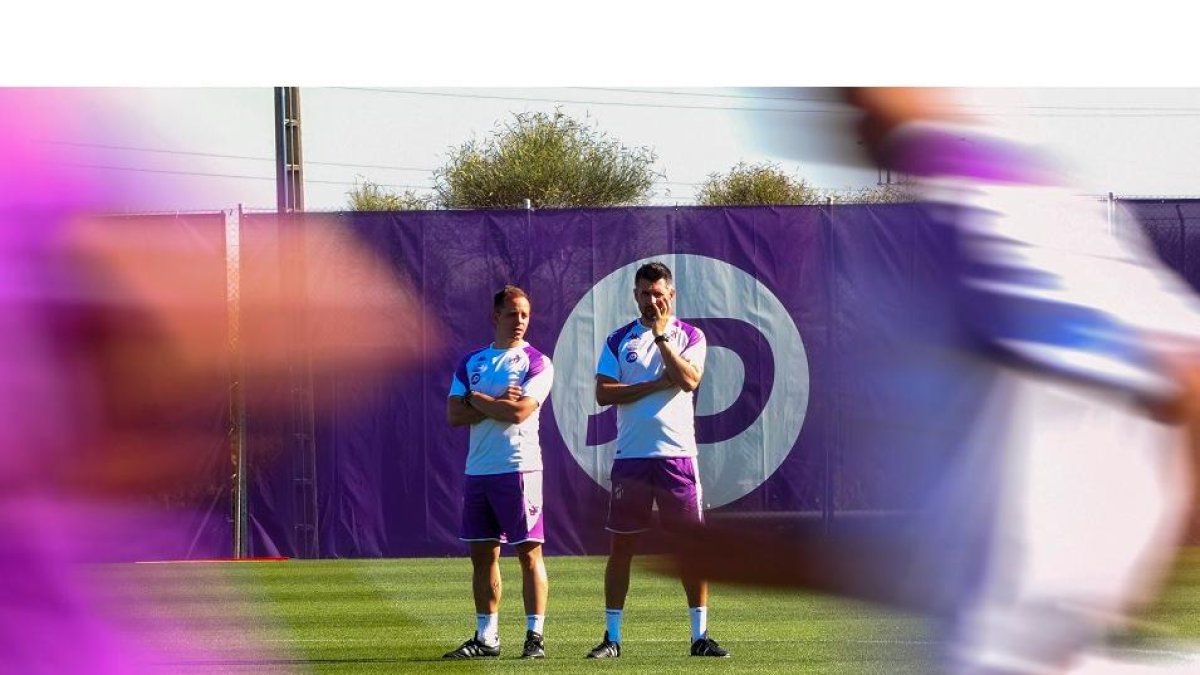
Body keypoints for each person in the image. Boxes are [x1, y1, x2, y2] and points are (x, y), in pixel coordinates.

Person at [658, 89, 1200, 674]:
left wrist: (1118, 576)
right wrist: (765, 560)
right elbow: (945, 563)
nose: (836, 102)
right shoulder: (965, 214)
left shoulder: (995, 212)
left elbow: (1182, 373)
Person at [585, 261, 729, 659]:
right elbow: (604, 393)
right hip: (631, 457)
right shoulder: (619, 339)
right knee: (621, 547)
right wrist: (652, 385)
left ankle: (700, 636)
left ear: (672, 295)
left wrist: (662, 338)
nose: (652, 301)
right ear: (635, 295)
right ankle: (612, 638)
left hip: (677, 457)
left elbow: (688, 380)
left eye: (659, 294)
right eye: (645, 294)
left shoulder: (690, 336)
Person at [443, 285, 555, 660]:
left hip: (520, 468)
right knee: (482, 557)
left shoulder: (536, 361)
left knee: (529, 555)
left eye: (525, 314)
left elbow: (519, 412)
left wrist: (477, 400)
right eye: (512, 314)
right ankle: (486, 637)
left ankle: (535, 637)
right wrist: (493, 404)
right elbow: (454, 414)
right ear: (495, 316)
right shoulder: (471, 362)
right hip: (479, 471)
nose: (519, 321)